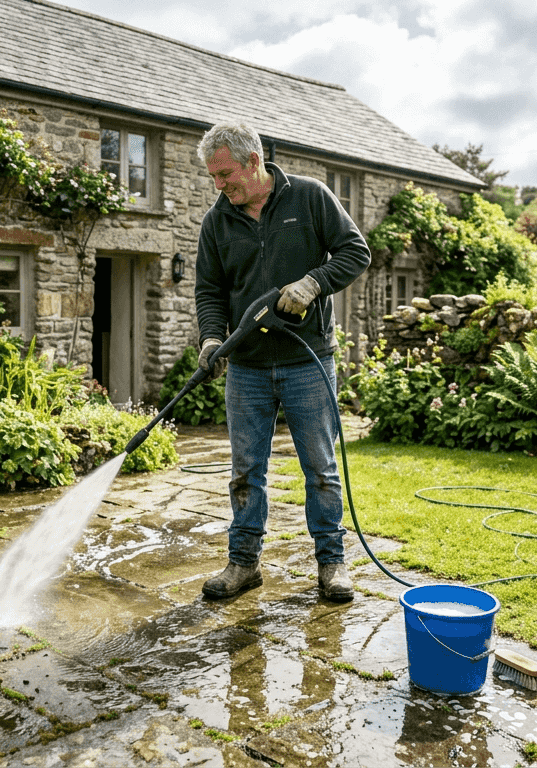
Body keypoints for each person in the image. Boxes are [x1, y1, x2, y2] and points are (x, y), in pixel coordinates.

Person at [193, 121, 371, 602]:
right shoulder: (217, 221)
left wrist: (314, 282)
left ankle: (331, 565)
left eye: (225, 173)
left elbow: (356, 251)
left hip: (306, 361)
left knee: (320, 468)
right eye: (213, 176)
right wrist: (212, 339)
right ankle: (243, 564)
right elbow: (210, 291)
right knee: (245, 470)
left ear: (254, 161)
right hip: (247, 366)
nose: (219, 185)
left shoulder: (309, 197)